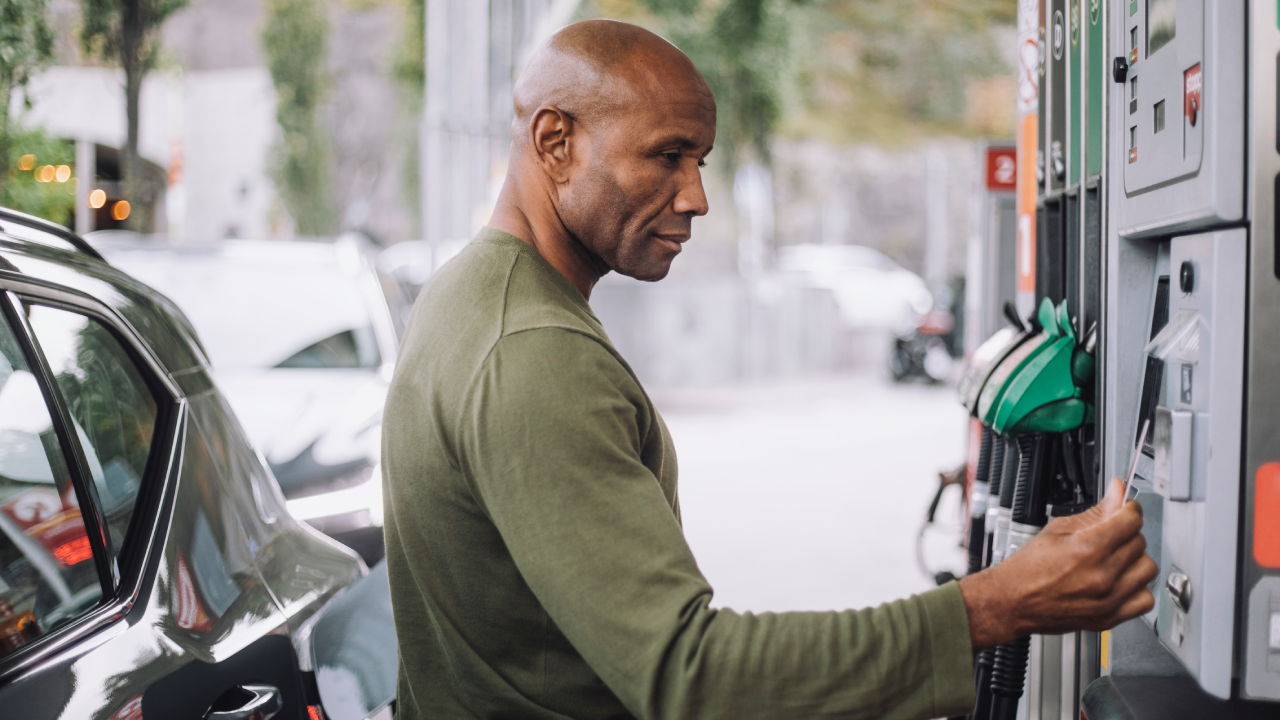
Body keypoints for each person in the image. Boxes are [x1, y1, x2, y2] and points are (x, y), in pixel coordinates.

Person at [381, 19, 1157, 720]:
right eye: (667, 156)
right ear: (556, 142)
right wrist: (995, 606)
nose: (697, 196)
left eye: (701, 159)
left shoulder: (470, 295)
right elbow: (690, 676)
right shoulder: (532, 349)